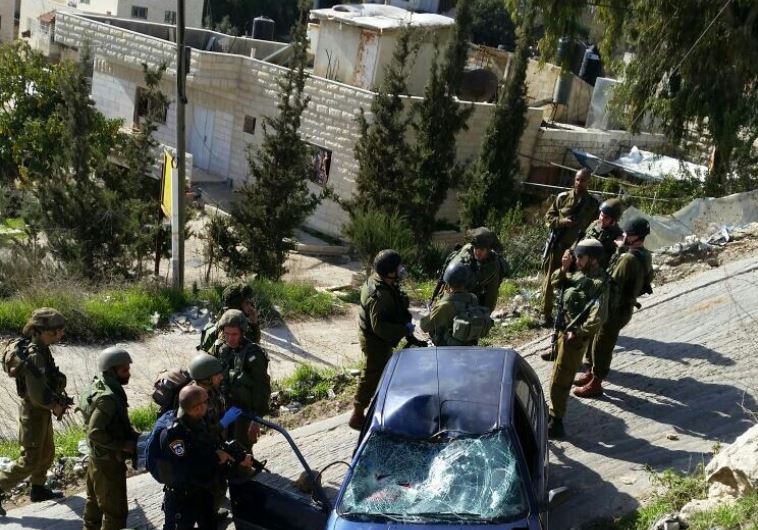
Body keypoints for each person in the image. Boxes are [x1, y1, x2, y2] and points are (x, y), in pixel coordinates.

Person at [573, 217, 654, 398]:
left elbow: (611, 283)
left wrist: (601, 308)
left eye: (627, 234)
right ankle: (591, 372)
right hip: (622, 306)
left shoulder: (627, 259)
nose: (624, 236)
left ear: (635, 236)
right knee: (595, 339)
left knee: (602, 345)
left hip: (614, 309)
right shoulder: (644, 254)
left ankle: (596, 382)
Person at [0, 308, 68, 517]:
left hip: (41, 412)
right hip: (34, 412)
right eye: (57, 330)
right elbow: (37, 395)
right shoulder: (35, 355)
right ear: (42, 331)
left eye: (61, 330)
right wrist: (55, 406)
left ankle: (38, 489)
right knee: (29, 460)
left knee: (47, 452)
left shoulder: (42, 348)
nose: (61, 334)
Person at [161, 385, 252, 530]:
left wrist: (237, 459)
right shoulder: (175, 434)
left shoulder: (200, 422)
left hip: (203, 492)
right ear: (197, 407)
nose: (209, 405)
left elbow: (211, 446)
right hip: (182, 499)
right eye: (206, 401)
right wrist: (216, 457)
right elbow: (187, 466)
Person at [546, 239, 609, 439]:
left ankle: (556, 421)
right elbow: (556, 283)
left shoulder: (598, 283)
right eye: (577, 257)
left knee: (561, 379)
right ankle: (554, 413)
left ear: (593, 259)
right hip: (563, 332)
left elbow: (598, 317)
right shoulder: (578, 273)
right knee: (557, 376)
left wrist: (579, 332)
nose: (577, 260)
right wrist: (564, 267)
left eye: (581, 257)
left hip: (575, 339)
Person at [350, 249, 413, 430]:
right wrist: (403, 329)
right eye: (398, 267)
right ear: (390, 272)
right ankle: (357, 415)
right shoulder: (380, 296)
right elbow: (380, 328)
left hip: (373, 331)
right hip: (374, 339)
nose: (402, 269)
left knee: (384, 369)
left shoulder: (380, 280)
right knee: (372, 372)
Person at [83, 347, 140, 530]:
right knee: (115, 513)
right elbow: (94, 432)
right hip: (107, 463)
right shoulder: (108, 398)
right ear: (112, 371)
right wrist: (122, 445)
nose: (128, 373)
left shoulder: (99, 385)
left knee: (94, 508)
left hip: (97, 458)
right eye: (124, 370)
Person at [540, 168, 599, 327]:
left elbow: (596, 225)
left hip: (578, 250)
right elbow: (548, 218)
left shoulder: (592, 204)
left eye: (583, 180)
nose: (579, 183)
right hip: (559, 246)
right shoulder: (562, 198)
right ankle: (545, 314)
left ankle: (569, 315)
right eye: (577, 179)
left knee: (574, 282)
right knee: (550, 280)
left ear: (588, 182)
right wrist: (562, 222)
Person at [210, 309, 270, 452]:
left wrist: (256, 420)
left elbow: (262, 388)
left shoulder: (253, 354)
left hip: (244, 414)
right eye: (227, 334)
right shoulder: (222, 349)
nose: (230, 338)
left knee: (241, 453)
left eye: (234, 334)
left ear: (242, 332)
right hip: (225, 410)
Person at [187, 352, 229, 520]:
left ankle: (211, 514)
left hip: (216, 445)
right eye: (217, 375)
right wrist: (223, 423)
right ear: (206, 378)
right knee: (211, 488)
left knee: (219, 485)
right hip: (204, 451)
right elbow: (198, 434)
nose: (221, 377)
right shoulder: (192, 400)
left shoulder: (211, 390)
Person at [420, 263, 489, 346]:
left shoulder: (445, 306)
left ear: (448, 281)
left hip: (449, 349)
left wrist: (429, 311)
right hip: (470, 346)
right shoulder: (473, 298)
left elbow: (424, 327)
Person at [443, 227, 508, 313]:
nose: (478, 252)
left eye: (482, 249)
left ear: (488, 250)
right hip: (459, 291)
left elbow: (491, 297)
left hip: (476, 294)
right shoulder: (465, 256)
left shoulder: (492, 265)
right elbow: (451, 281)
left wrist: (484, 315)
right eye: (476, 248)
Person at [581, 198, 624, 268]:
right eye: (601, 215)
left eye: (606, 218)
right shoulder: (596, 224)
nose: (601, 219)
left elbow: (616, 260)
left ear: (613, 220)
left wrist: (620, 246)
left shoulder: (618, 234)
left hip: (598, 269)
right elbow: (583, 238)